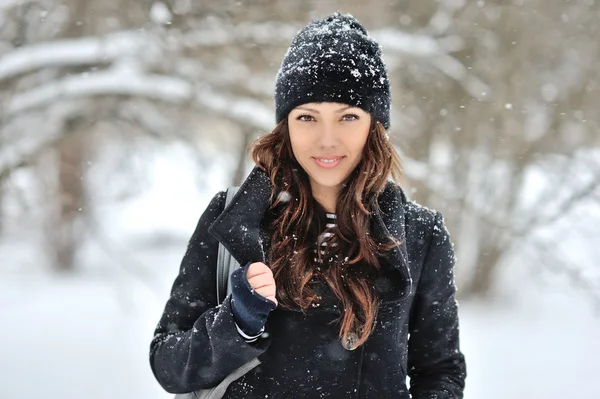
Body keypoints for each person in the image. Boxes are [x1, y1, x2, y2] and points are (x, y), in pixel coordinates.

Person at [149, 12, 466, 399]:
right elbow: (168, 365)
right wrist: (236, 322)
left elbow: (439, 372)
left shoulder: (420, 234)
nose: (327, 140)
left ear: (374, 125)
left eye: (348, 116)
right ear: (287, 125)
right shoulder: (234, 216)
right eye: (307, 117)